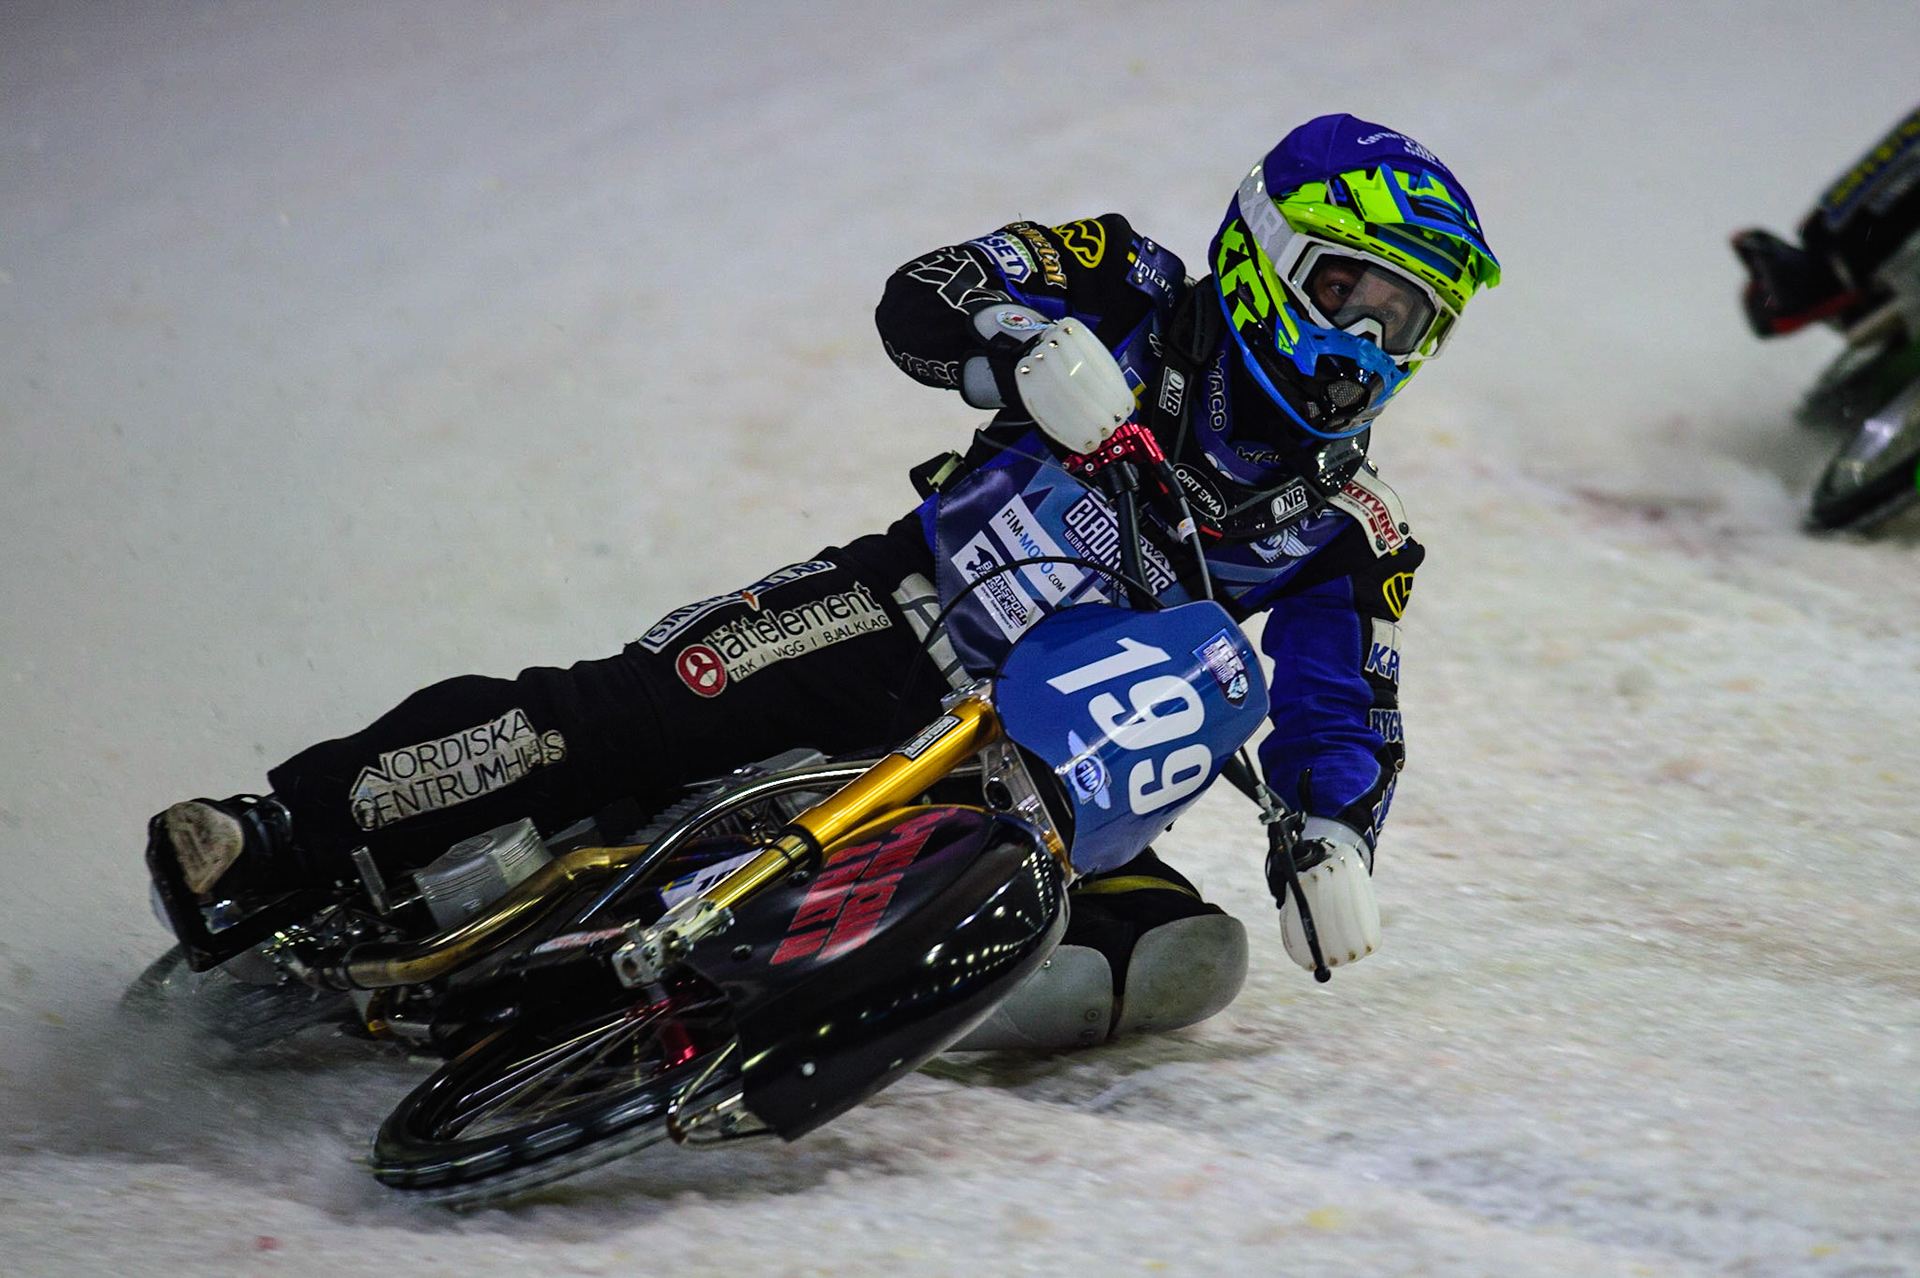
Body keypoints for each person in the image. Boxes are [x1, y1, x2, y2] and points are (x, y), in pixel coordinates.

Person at [147, 114, 1500, 1048]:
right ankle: (278, 827)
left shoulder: (1353, 526)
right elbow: (928, 290)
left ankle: (681, 1025)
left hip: (1046, 780)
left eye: (1405, 326)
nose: (1368, 349)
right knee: (612, 720)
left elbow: (1345, 712)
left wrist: (1331, 835)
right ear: (1267, 253)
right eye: (1350, 293)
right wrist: (1019, 338)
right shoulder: (1128, 280)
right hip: (890, 622)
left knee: (1171, 961)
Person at [1734, 104, 1920, 337]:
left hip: (1837, 245)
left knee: (1827, 229)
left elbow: (1749, 240)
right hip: (1849, 257)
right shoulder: (1839, 299)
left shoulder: (1808, 239)